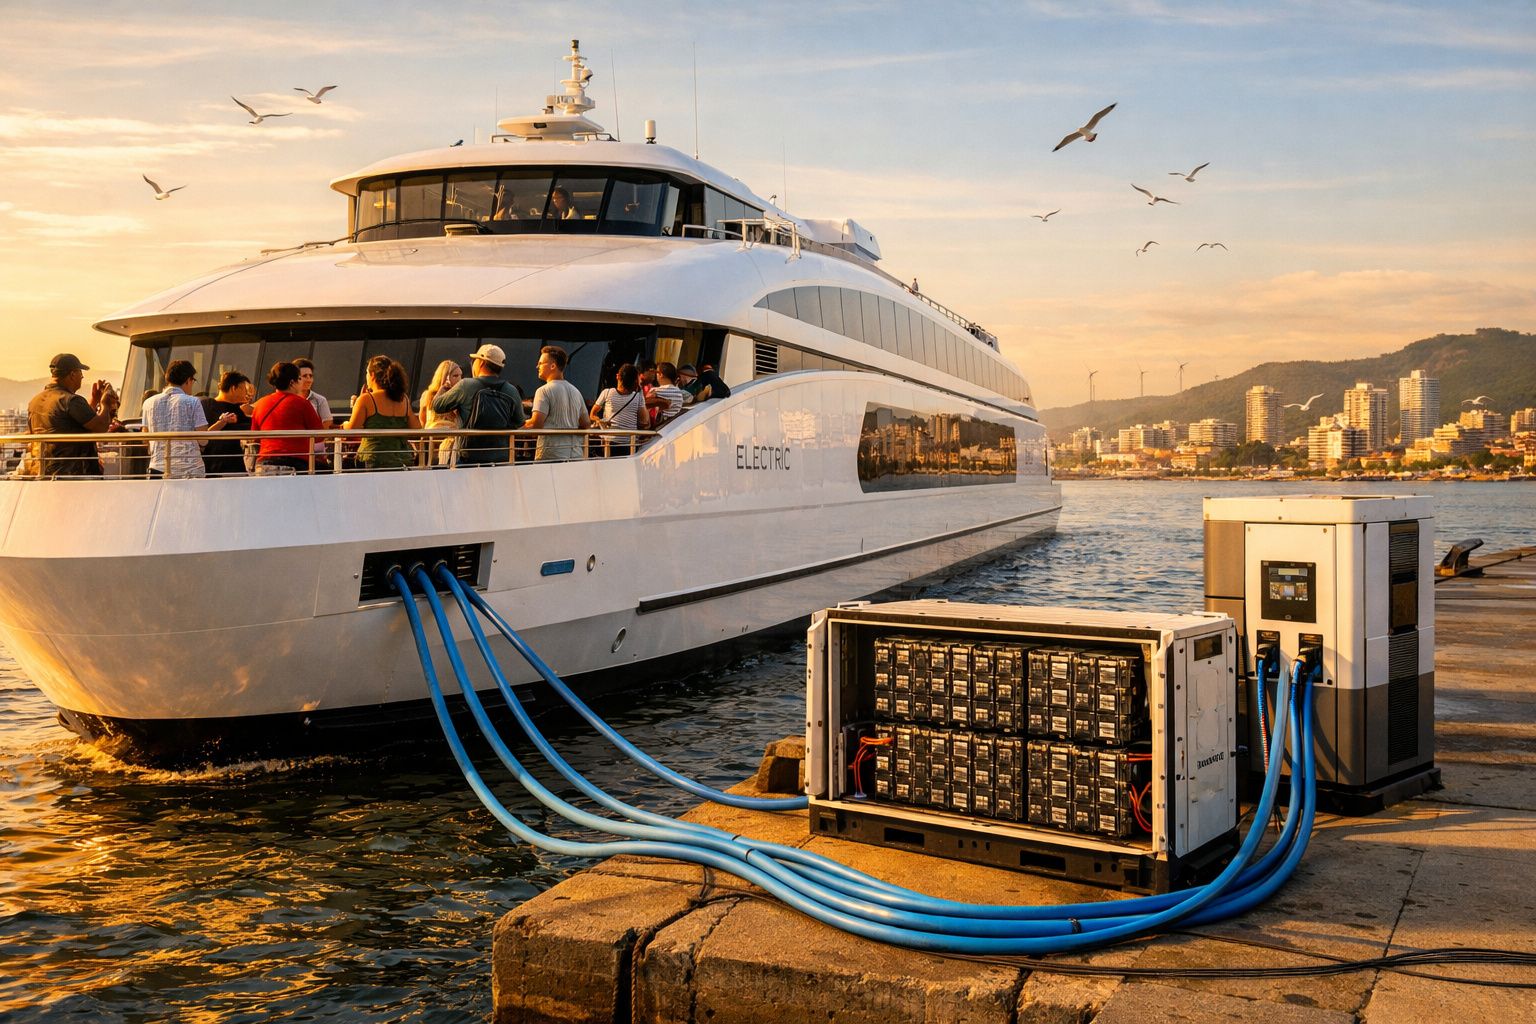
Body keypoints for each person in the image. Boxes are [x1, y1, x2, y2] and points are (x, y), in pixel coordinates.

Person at [26, 353, 120, 478]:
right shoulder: (71, 400)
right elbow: (101, 427)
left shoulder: (35, 401)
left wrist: (94, 401)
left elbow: (74, 423)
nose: (82, 377)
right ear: (72, 374)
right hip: (74, 473)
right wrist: (106, 403)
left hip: (44, 471)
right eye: (80, 373)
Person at [431, 344, 525, 465]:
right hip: (502, 458)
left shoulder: (466, 385)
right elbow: (519, 422)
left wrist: (444, 387)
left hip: (469, 457)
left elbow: (437, 405)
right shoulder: (511, 390)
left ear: (481, 363)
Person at [141, 360, 236, 478]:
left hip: (157, 468)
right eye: (193, 381)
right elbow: (203, 439)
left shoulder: (148, 403)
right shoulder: (193, 402)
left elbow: (145, 439)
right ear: (188, 380)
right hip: (189, 470)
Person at [345, 356, 421, 470]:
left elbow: (351, 430)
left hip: (374, 459)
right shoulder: (403, 399)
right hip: (402, 459)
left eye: (366, 373)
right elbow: (416, 430)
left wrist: (344, 424)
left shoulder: (366, 399)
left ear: (372, 375)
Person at [251, 361, 325, 474]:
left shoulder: (260, 404)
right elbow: (319, 436)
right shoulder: (302, 403)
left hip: (264, 462)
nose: (302, 382)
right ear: (292, 382)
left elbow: (255, 437)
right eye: (299, 378)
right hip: (296, 461)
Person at [526, 345, 589, 461]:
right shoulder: (576, 391)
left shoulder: (543, 391)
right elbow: (586, 423)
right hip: (576, 455)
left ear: (553, 366)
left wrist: (519, 426)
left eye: (540, 363)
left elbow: (536, 425)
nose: (537, 366)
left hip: (551, 456)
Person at [200, 370, 254, 477]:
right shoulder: (234, 410)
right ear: (234, 388)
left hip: (208, 466)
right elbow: (250, 426)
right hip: (229, 467)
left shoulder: (204, 404)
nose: (246, 394)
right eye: (243, 389)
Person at [589, 363, 650, 457]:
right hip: (630, 445)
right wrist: (640, 391)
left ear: (617, 376)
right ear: (635, 381)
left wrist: (599, 421)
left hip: (608, 444)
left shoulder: (607, 393)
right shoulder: (638, 397)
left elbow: (592, 414)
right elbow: (645, 422)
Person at [419, 359, 464, 464]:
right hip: (433, 439)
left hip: (445, 441)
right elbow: (423, 420)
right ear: (445, 377)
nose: (460, 379)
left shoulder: (458, 396)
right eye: (455, 376)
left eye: (460, 375)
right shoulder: (427, 395)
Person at [294, 357, 333, 465]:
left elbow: (327, 425)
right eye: (304, 376)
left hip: (316, 452)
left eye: (310, 376)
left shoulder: (320, 400)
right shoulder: (288, 399)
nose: (309, 379)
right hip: (294, 451)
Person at [645, 361, 690, 427]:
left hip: (659, 427)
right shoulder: (679, 394)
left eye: (657, 373)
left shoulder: (655, 391)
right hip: (673, 427)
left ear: (661, 374)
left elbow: (644, 409)